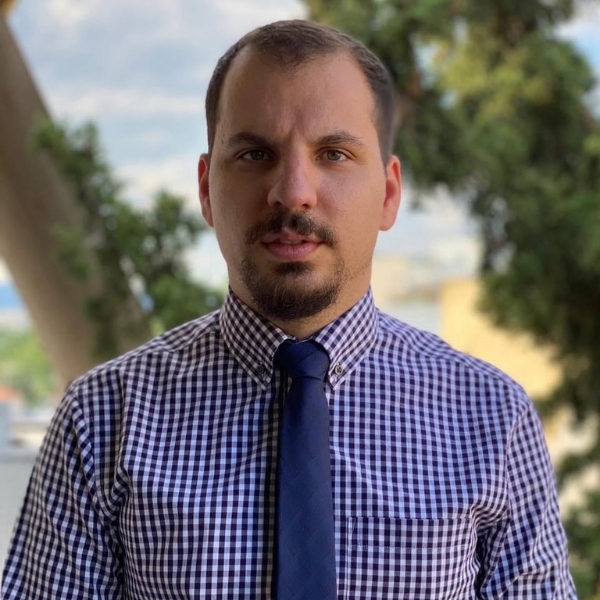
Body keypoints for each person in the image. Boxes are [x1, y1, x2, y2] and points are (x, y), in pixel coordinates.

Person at [2, 19, 575, 599]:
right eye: (255, 153)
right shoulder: (103, 419)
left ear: (388, 193)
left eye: (334, 153)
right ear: (206, 189)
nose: (293, 191)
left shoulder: (491, 417)